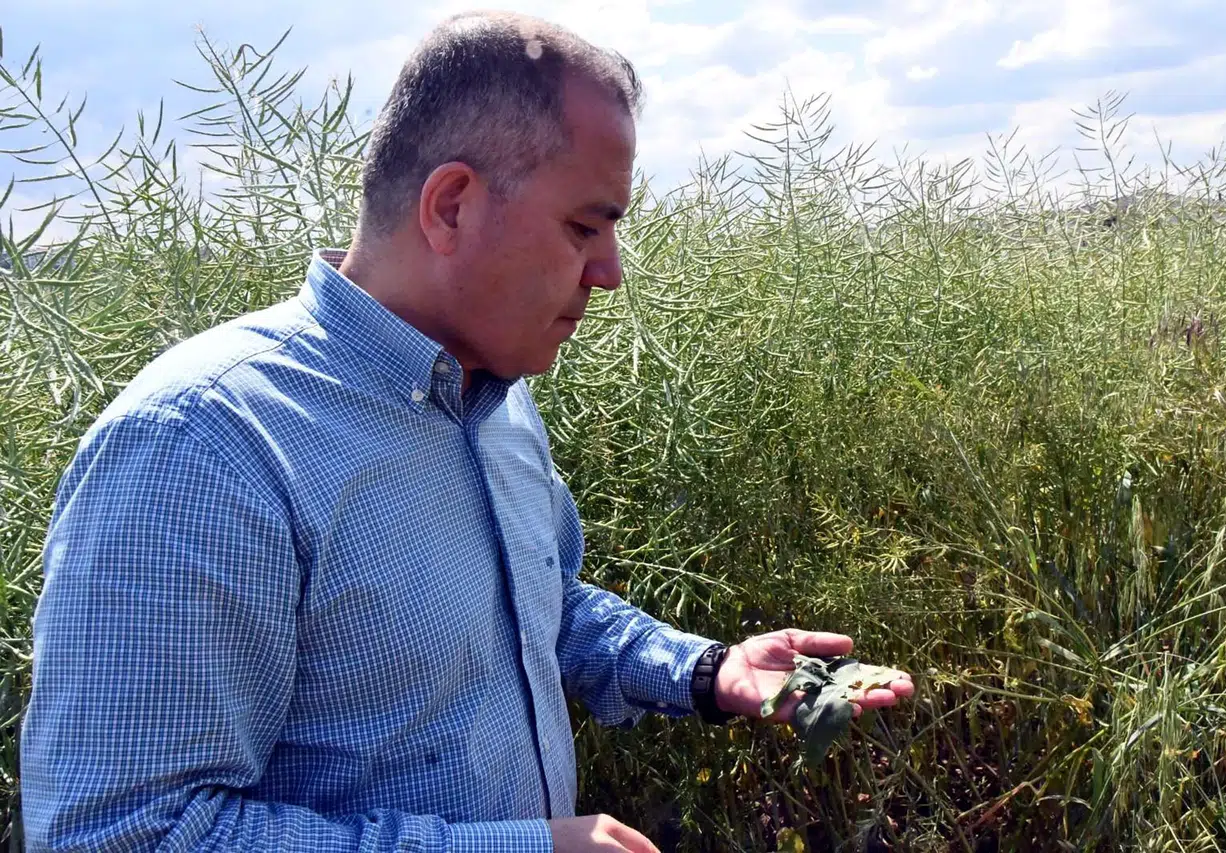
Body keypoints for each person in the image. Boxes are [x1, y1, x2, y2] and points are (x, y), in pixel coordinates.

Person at [20, 10, 914, 852]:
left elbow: (540, 605)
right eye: (584, 227)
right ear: (451, 205)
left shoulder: (494, 399)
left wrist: (704, 670)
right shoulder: (206, 445)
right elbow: (127, 830)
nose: (609, 273)